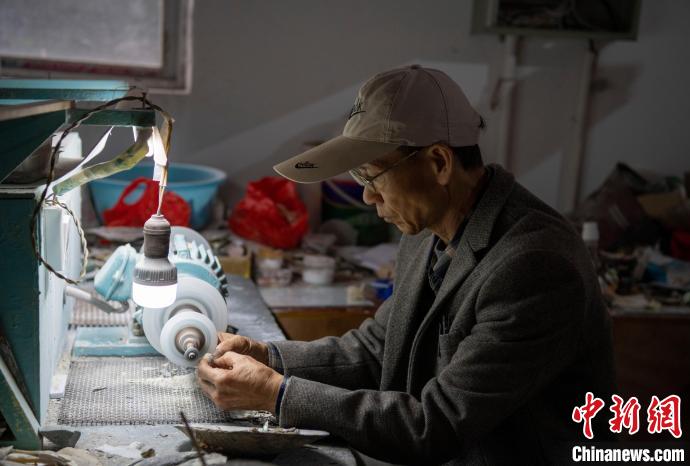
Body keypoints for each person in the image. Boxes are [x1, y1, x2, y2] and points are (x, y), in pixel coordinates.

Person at [197, 65, 615, 465]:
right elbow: (378, 349)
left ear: (439, 163)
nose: (368, 197)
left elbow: (438, 425)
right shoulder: (426, 230)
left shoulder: (534, 266)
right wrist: (267, 357)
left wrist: (278, 394)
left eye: (373, 175)